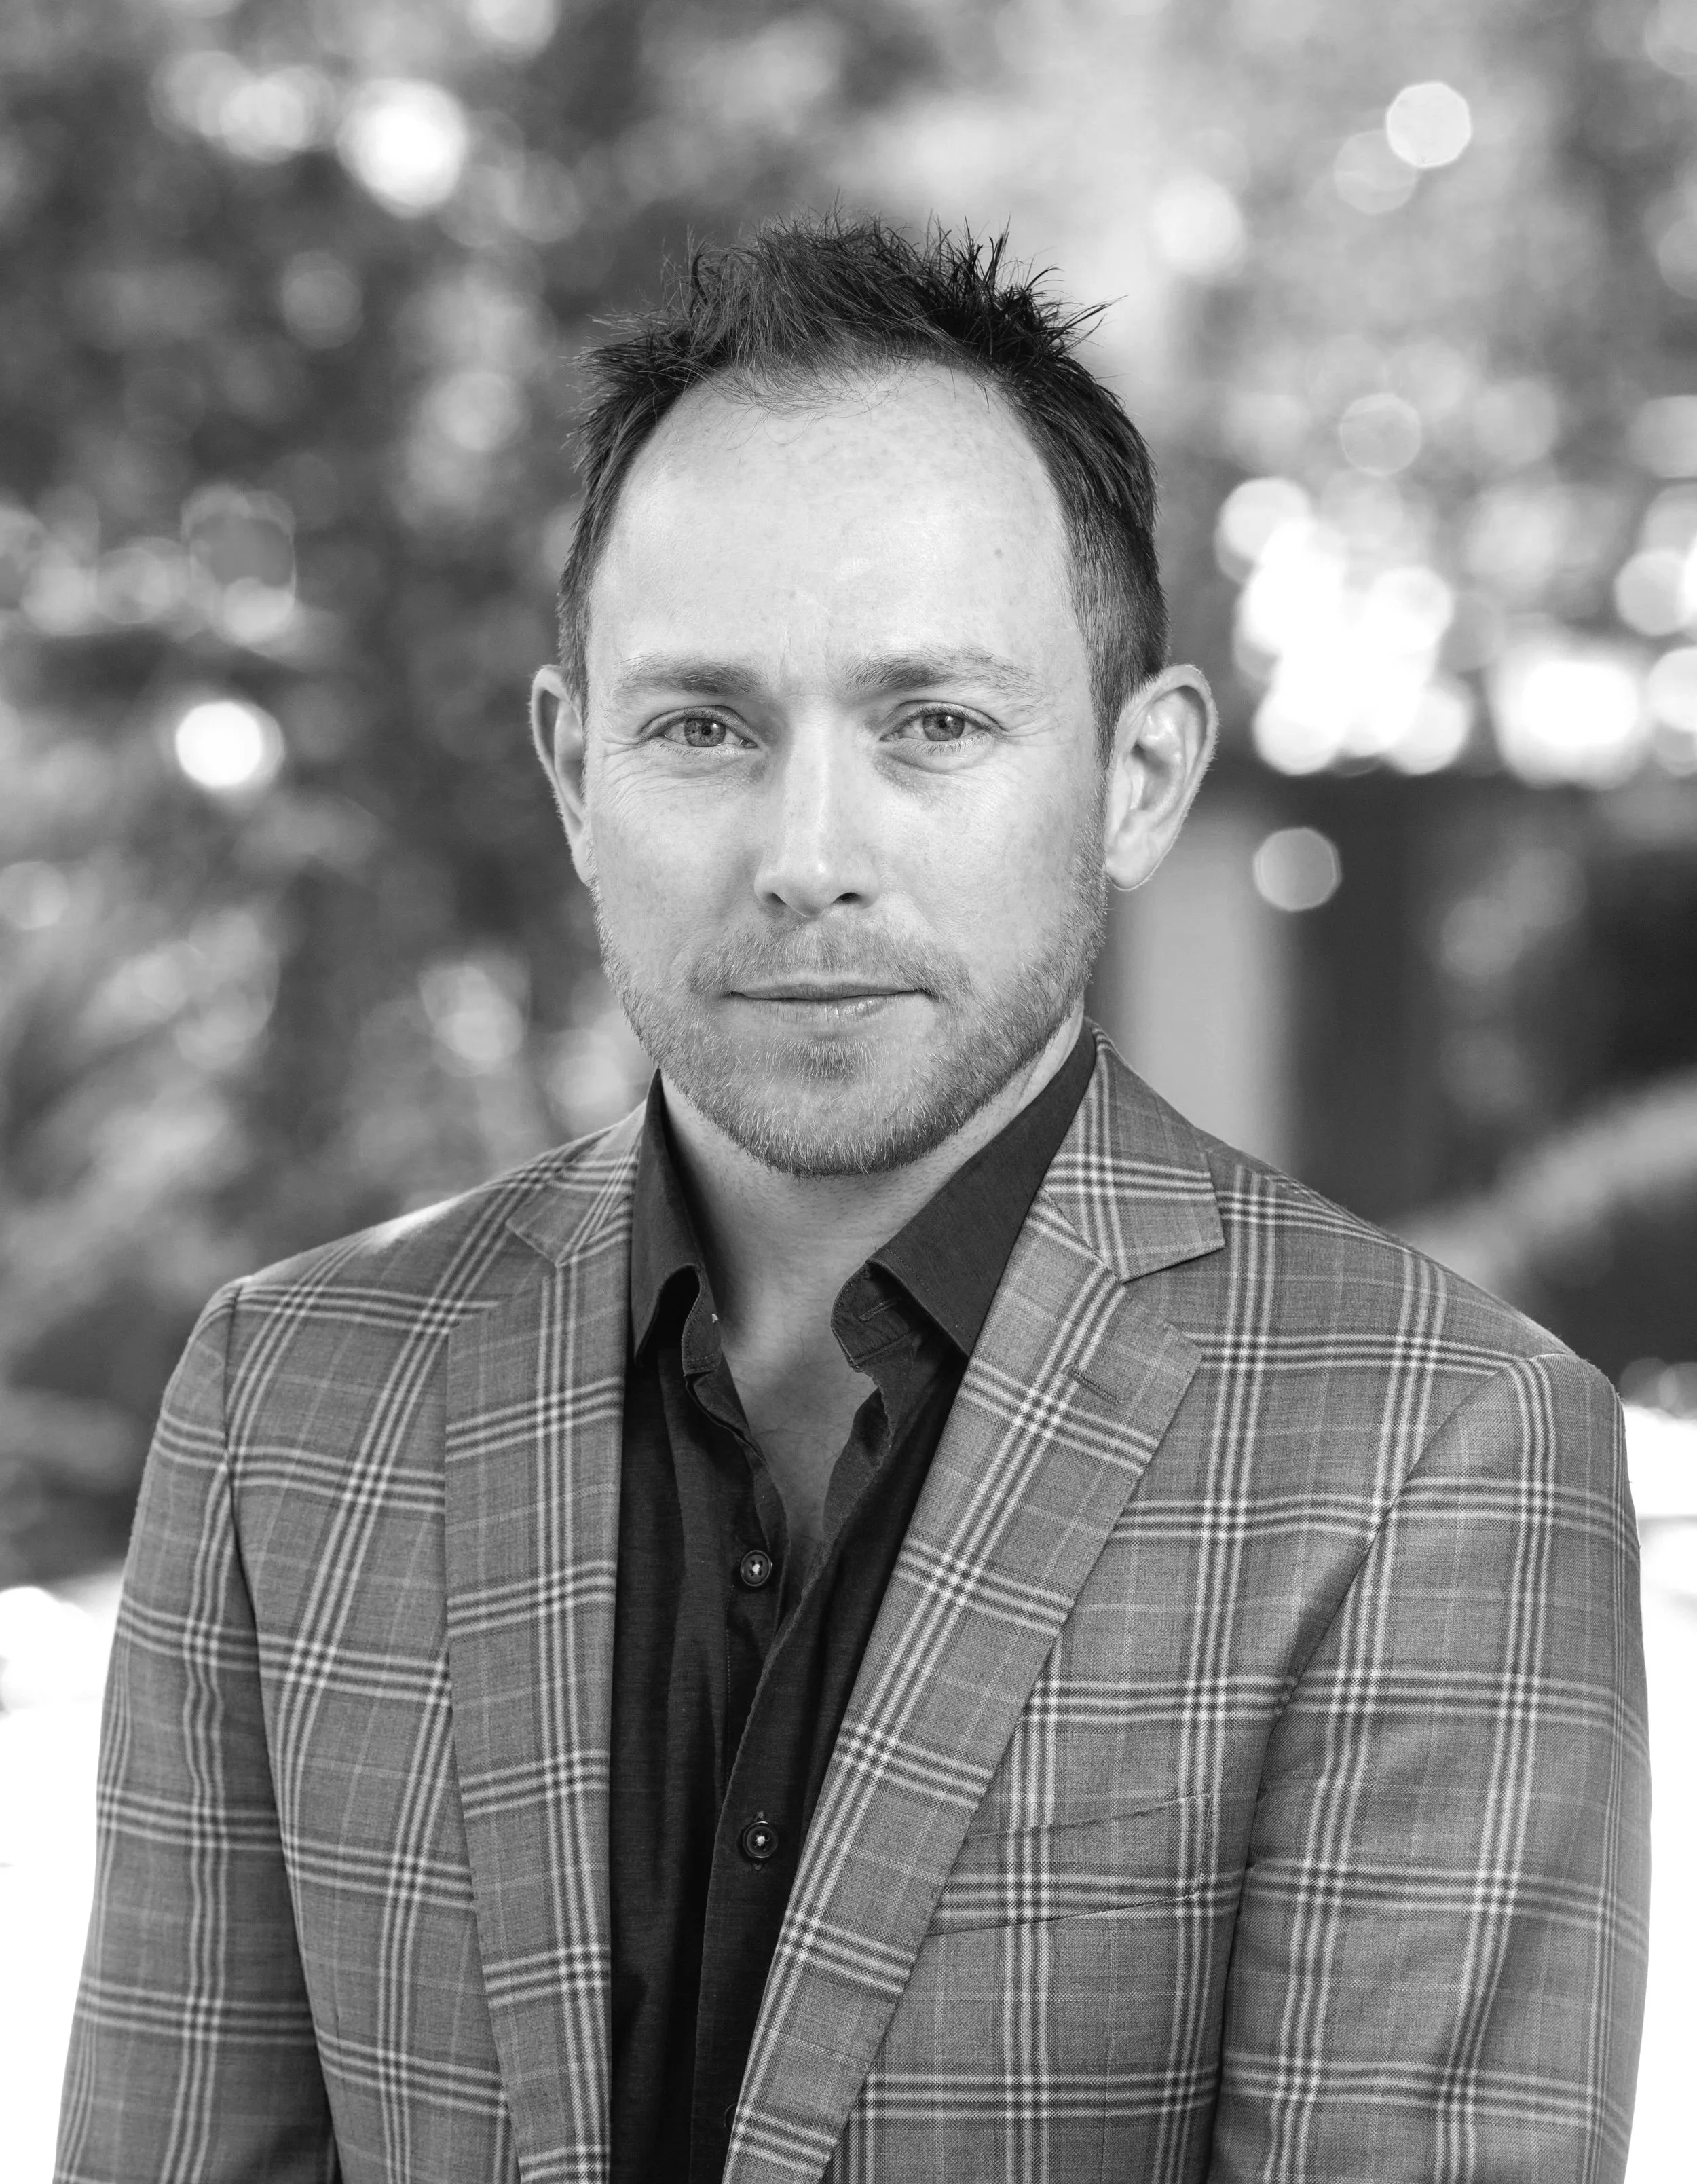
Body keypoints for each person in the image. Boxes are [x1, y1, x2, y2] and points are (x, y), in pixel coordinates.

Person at [57, 219, 1648, 2184]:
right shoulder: (288, 1399)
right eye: (703, 725)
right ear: (574, 771)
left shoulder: (1438, 1450)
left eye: (934, 722)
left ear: (1136, 778)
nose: (808, 853)